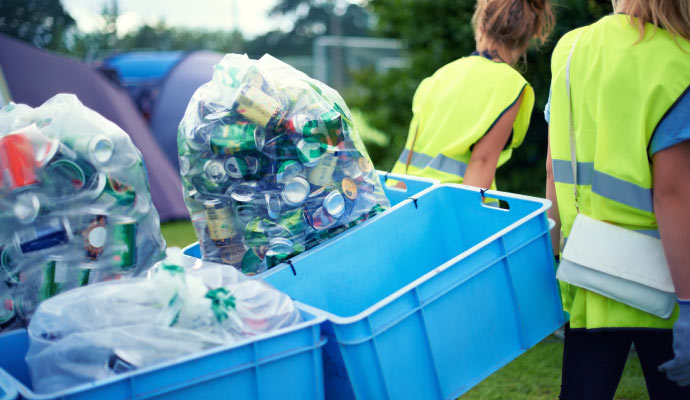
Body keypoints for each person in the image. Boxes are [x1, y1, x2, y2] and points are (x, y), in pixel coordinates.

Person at [544, 0, 690, 398]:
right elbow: (673, 196)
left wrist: (551, 262)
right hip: (664, 284)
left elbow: (554, 171)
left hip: (588, 274)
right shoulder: (680, 61)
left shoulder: (571, 49)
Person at [391, 0, 554, 190]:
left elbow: (411, 154)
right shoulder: (510, 85)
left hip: (404, 199)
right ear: (529, 36)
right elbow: (482, 162)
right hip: (449, 208)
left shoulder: (441, 74)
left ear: (481, 25)